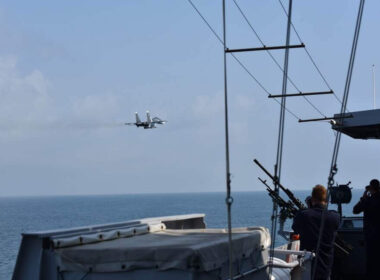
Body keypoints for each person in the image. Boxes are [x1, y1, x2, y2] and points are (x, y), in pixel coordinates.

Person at [292, 185, 340, 280]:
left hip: (308, 264)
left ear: (312, 199)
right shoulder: (334, 217)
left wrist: (309, 208)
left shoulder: (303, 215)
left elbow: (295, 228)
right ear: (326, 200)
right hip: (326, 266)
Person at [352, 179, 380, 278]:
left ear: (371, 189)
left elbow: (355, 210)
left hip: (371, 236)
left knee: (372, 261)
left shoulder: (368, 201)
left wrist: (363, 198)